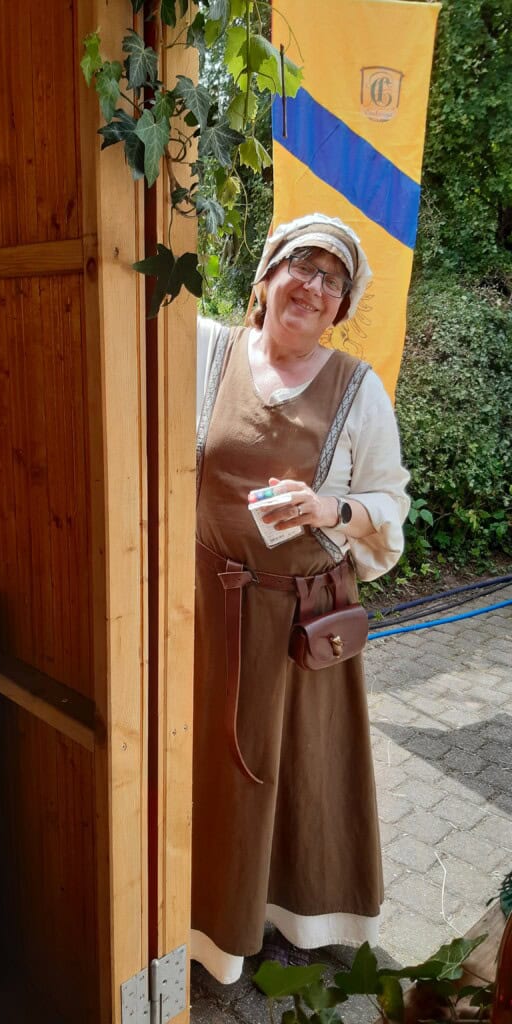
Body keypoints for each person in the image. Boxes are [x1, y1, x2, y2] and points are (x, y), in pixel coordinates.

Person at [192, 213, 410, 984]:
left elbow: (389, 506)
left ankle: (299, 920)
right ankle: (210, 924)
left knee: (304, 771)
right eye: (302, 266)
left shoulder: (358, 388)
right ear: (268, 275)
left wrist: (328, 508)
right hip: (209, 611)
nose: (314, 287)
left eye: (332, 279)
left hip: (303, 619)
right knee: (215, 769)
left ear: (342, 305)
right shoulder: (207, 351)